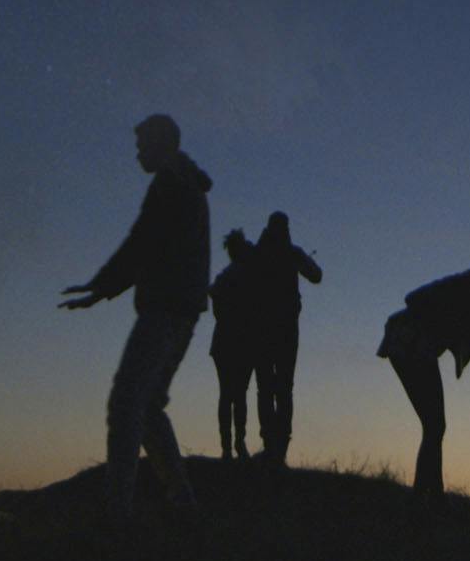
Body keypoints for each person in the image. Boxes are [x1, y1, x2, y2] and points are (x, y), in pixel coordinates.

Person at [60, 113, 214, 515]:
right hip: (183, 309)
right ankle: (182, 500)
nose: (137, 154)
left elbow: (143, 241)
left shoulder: (171, 183)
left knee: (127, 403)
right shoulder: (183, 182)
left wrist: (100, 286)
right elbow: (148, 243)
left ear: (162, 144)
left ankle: (117, 510)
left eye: (142, 145)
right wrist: (104, 287)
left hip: (166, 310)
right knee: (145, 405)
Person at [377, 252, 470, 498]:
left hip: (407, 344)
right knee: (435, 424)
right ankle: (429, 494)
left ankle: (428, 492)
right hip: (412, 345)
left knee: (434, 424)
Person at [252, 210, 323, 465]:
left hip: (262, 328)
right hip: (285, 330)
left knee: (267, 388)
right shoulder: (292, 253)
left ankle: (271, 446)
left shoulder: (258, 254)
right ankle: (278, 448)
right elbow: (316, 275)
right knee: (283, 389)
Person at [207, 229, 262, 459]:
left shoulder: (225, 277)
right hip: (242, 341)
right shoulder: (248, 274)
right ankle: (237, 444)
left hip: (224, 341)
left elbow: (215, 300)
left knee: (227, 394)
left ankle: (229, 447)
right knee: (238, 395)